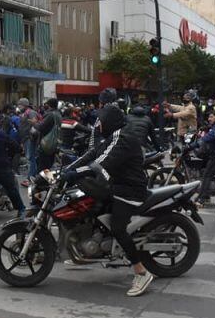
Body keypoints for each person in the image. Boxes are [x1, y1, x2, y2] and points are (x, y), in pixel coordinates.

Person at [63, 104, 154, 297]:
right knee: (91, 208)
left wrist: (75, 174)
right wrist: (66, 170)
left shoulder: (122, 138)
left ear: (110, 122)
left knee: (117, 227)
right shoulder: (114, 136)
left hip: (130, 191)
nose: (99, 125)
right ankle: (83, 252)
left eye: (101, 121)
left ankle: (141, 272)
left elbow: (100, 162)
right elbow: (93, 153)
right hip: (117, 186)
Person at [32, 98, 61, 172]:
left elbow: (41, 127)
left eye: (46, 104)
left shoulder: (50, 114)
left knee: (42, 166)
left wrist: (34, 123)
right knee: (48, 165)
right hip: (53, 143)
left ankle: (41, 182)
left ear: (49, 105)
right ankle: (48, 181)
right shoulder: (58, 114)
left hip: (46, 143)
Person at [17, 98, 40, 183]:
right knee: (30, 157)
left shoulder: (30, 112)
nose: (19, 107)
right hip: (25, 138)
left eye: (20, 105)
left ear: (25, 105)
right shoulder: (24, 113)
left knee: (30, 158)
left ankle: (31, 176)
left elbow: (35, 122)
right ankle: (32, 175)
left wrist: (30, 121)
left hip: (29, 138)